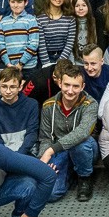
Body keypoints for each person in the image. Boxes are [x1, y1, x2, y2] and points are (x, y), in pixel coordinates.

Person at [37, 61, 98, 202]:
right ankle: (70, 174)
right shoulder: (48, 106)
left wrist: (50, 151)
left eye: (75, 86)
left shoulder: (91, 104)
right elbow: (45, 137)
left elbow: (82, 133)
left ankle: (84, 177)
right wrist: (44, 159)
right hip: (60, 151)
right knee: (51, 194)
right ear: (60, 84)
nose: (70, 91)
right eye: (67, 85)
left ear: (82, 86)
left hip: (86, 149)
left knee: (80, 144)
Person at [0, 67, 39, 156]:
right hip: (4, 156)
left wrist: (19, 156)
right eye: (4, 86)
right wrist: (12, 159)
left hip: (28, 154)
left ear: (20, 87)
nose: (8, 91)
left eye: (12, 87)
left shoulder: (31, 105)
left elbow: (32, 133)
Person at [34, 0, 77, 82]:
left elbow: (69, 43)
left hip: (64, 57)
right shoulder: (40, 19)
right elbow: (41, 44)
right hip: (45, 58)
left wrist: (59, 64)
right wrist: (47, 65)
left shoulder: (70, 18)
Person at [0, 0, 41, 74]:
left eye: (20, 2)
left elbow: (34, 44)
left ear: (26, 2)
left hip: (29, 67)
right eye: (13, 2)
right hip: (10, 66)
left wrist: (21, 63)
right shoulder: (4, 22)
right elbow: (1, 43)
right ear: (9, 2)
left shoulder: (31, 20)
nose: (16, 5)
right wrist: (7, 63)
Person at [72, 0, 98, 64]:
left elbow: (95, 42)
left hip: (90, 61)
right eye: (77, 6)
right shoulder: (71, 22)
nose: (81, 8)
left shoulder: (93, 22)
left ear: (88, 7)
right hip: (75, 62)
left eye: (84, 5)